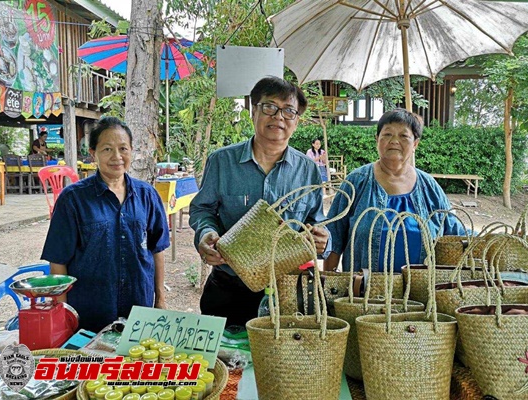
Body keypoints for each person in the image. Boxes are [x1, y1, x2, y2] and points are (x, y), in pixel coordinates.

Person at [189, 76, 331, 327]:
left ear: (297, 121)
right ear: (252, 111)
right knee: (223, 362)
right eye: (269, 107)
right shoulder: (222, 161)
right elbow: (203, 209)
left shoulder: (308, 170)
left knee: (279, 364)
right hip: (227, 288)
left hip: (286, 292)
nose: (278, 117)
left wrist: (322, 238)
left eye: (289, 111)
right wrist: (206, 233)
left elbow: (315, 220)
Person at [41, 117, 170, 333]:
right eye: (107, 149)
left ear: (131, 151)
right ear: (93, 153)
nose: (117, 157)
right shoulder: (73, 199)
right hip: (89, 315)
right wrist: (64, 315)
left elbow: (157, 250)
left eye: (123, 148)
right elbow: (58, 262)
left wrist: (160, 299)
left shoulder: (147, 195)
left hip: (139, 311)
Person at [324, 108, 464, 273]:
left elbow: (456, 235)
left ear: (415, 144)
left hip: (420, 293)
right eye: (387, 134)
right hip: (362, 293)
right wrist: (329, 287)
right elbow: (333, 239)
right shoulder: (356, 182)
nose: (394, 141)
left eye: (404, 136)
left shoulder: (429, 187)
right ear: (377, 140)